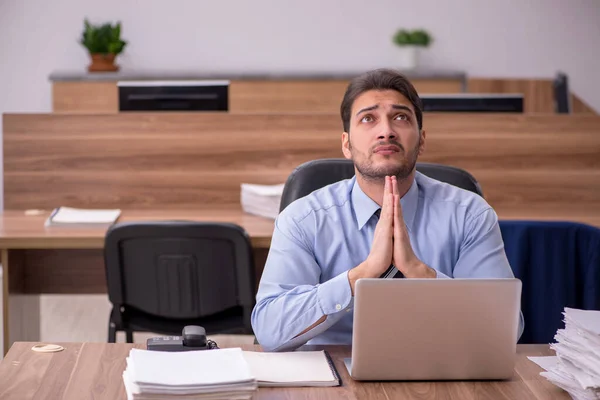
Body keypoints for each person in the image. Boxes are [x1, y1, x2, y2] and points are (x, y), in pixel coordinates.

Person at [251, 68, 524, 352]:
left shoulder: (470, 214)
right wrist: (361, 276)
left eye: (401, 117)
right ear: (346, 144)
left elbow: (505, 329)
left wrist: (421, 273)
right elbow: (270, 331)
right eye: (368, 118)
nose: (386, 131)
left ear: (421, 140)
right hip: (332, 378)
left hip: (441, 369)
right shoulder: (302, 219)